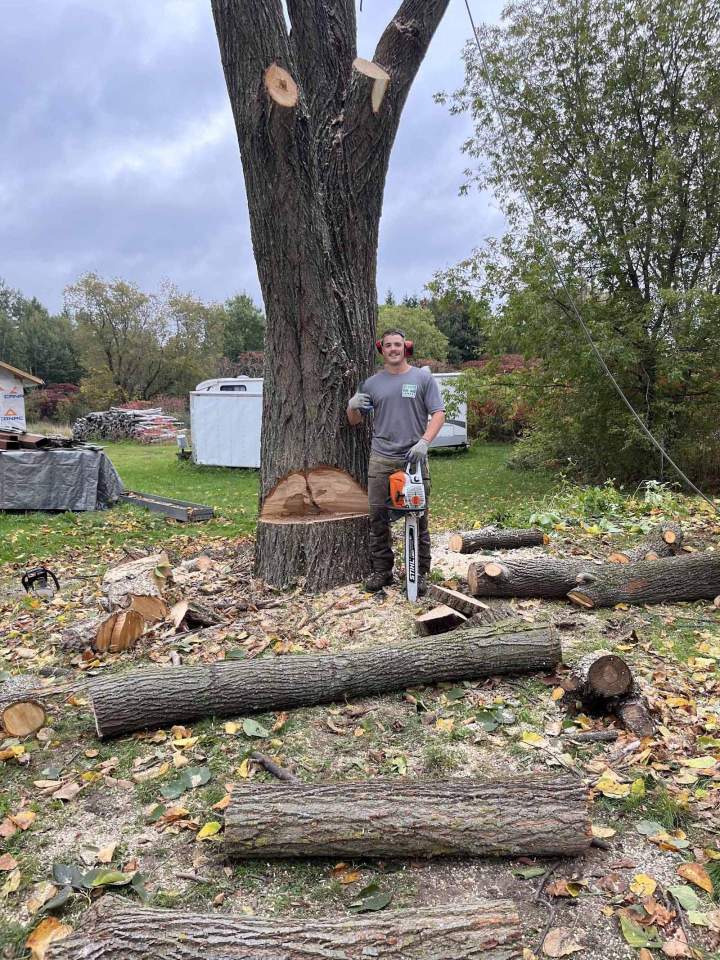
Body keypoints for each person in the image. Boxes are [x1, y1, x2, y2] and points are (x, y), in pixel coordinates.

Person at [347, 328, 446, 594]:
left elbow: (438, 413)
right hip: (381, 458)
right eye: (388, 345)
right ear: (382, 349)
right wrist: (352, 405)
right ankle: (383, 572)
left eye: (398, 345)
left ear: (406, 347)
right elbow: (354, 421)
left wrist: (424, 442)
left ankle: (420, 573)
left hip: (413, 460)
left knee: (418, 518)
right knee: (378, 518)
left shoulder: (422, 379)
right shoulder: (371, 384)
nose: (393, 349)